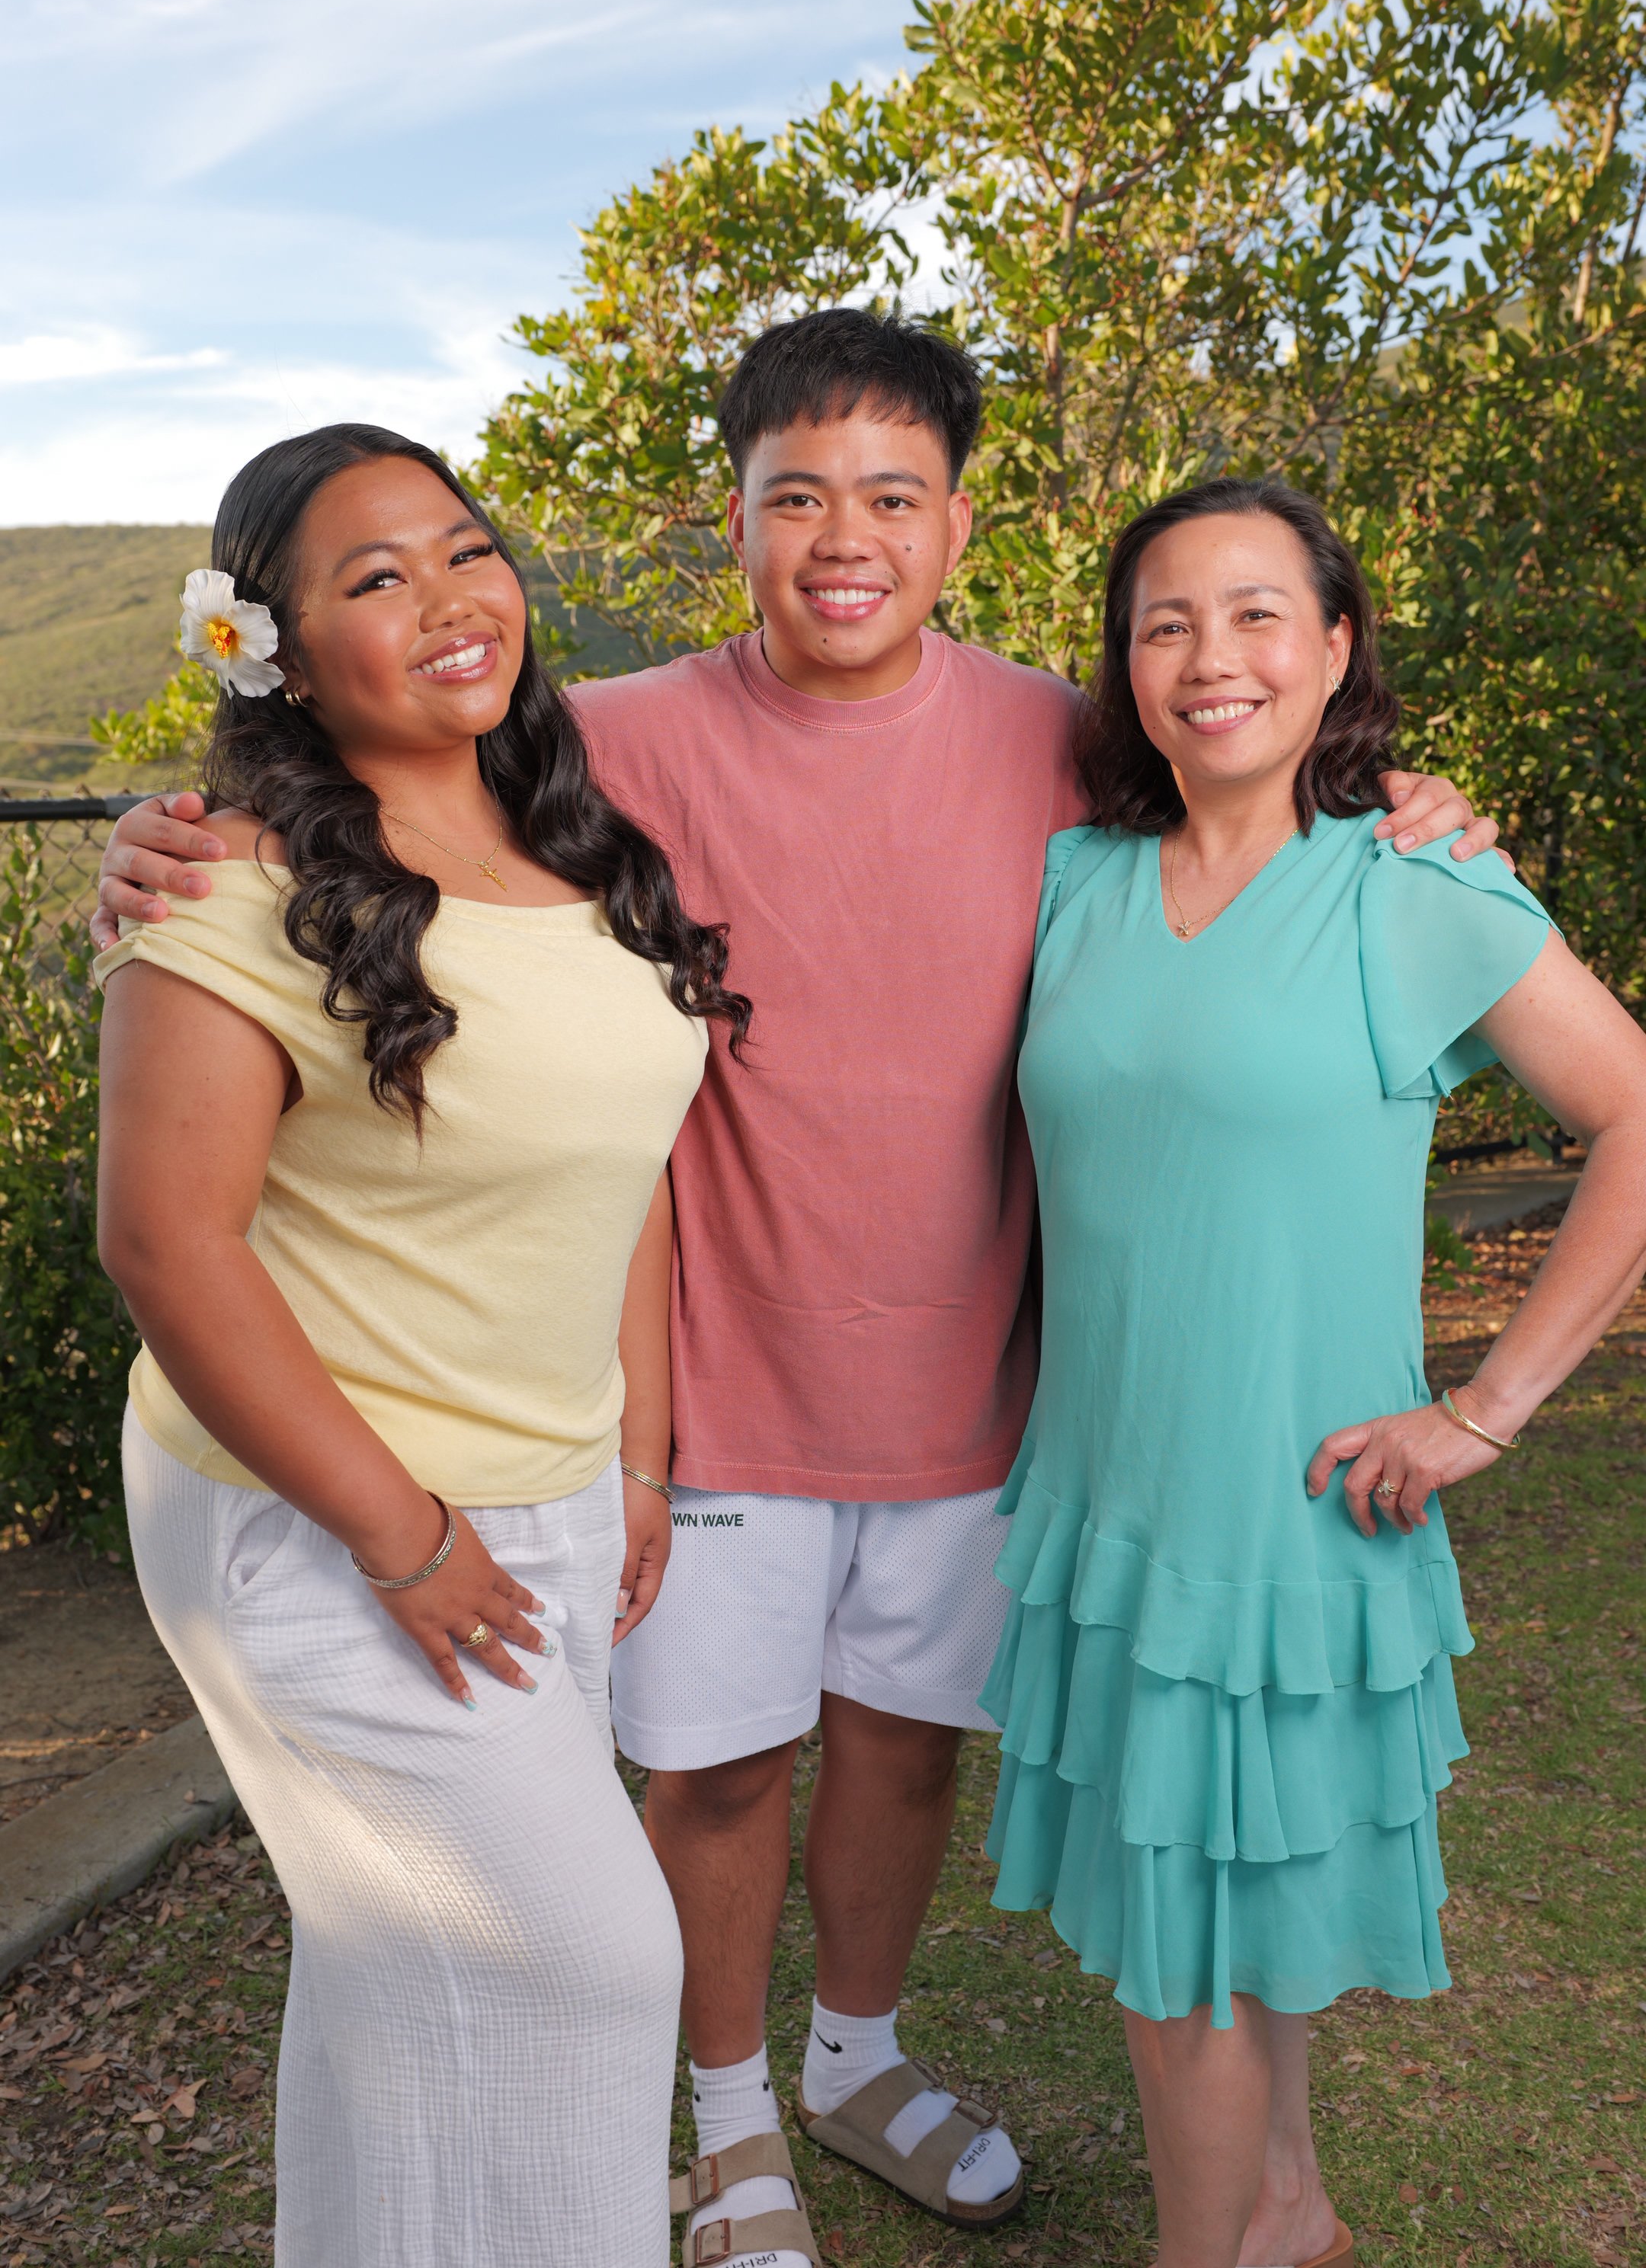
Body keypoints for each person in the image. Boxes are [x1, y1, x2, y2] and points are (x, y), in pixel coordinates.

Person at [93, 318, 1498, 2268]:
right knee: (722, 1765)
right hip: (714, 1382)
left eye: (894, 497)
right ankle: (732, 2122)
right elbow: (356, 786)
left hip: (977, 1390)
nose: (847, 538)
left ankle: (857, 2059)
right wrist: (171, 842)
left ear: (958, 524)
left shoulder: (1055, 734)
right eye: (796, 497)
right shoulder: (599, 737)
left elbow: (1242, 790)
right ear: (733, 519)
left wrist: (1412, 807)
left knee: (905, 1747)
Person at [94, 424, 751, 2268]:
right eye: (375, 579)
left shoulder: (567, 837)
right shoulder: (216, 882)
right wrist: (408, 1532)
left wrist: (636, 1458)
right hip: (326, 1516)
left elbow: (625, 1171)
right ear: (274, 649)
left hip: (540, 1497)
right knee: (598, 1967)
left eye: (466, 551)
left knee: (408, 1995)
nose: (453, 602)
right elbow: (164, 1240)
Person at [985, 474, 1646, 2268]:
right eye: (1165, 622)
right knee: (1210, 1904)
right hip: (1109, 1489)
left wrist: (1486, 1408)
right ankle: (1283, 2209)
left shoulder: (1410, 887)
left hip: (1283, 1508)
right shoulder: (1077, 877)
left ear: (1336, 645)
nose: (1212, 657)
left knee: (1188, 1931)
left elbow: (1636, 1113)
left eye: (1259, 612)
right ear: (1123, 666)